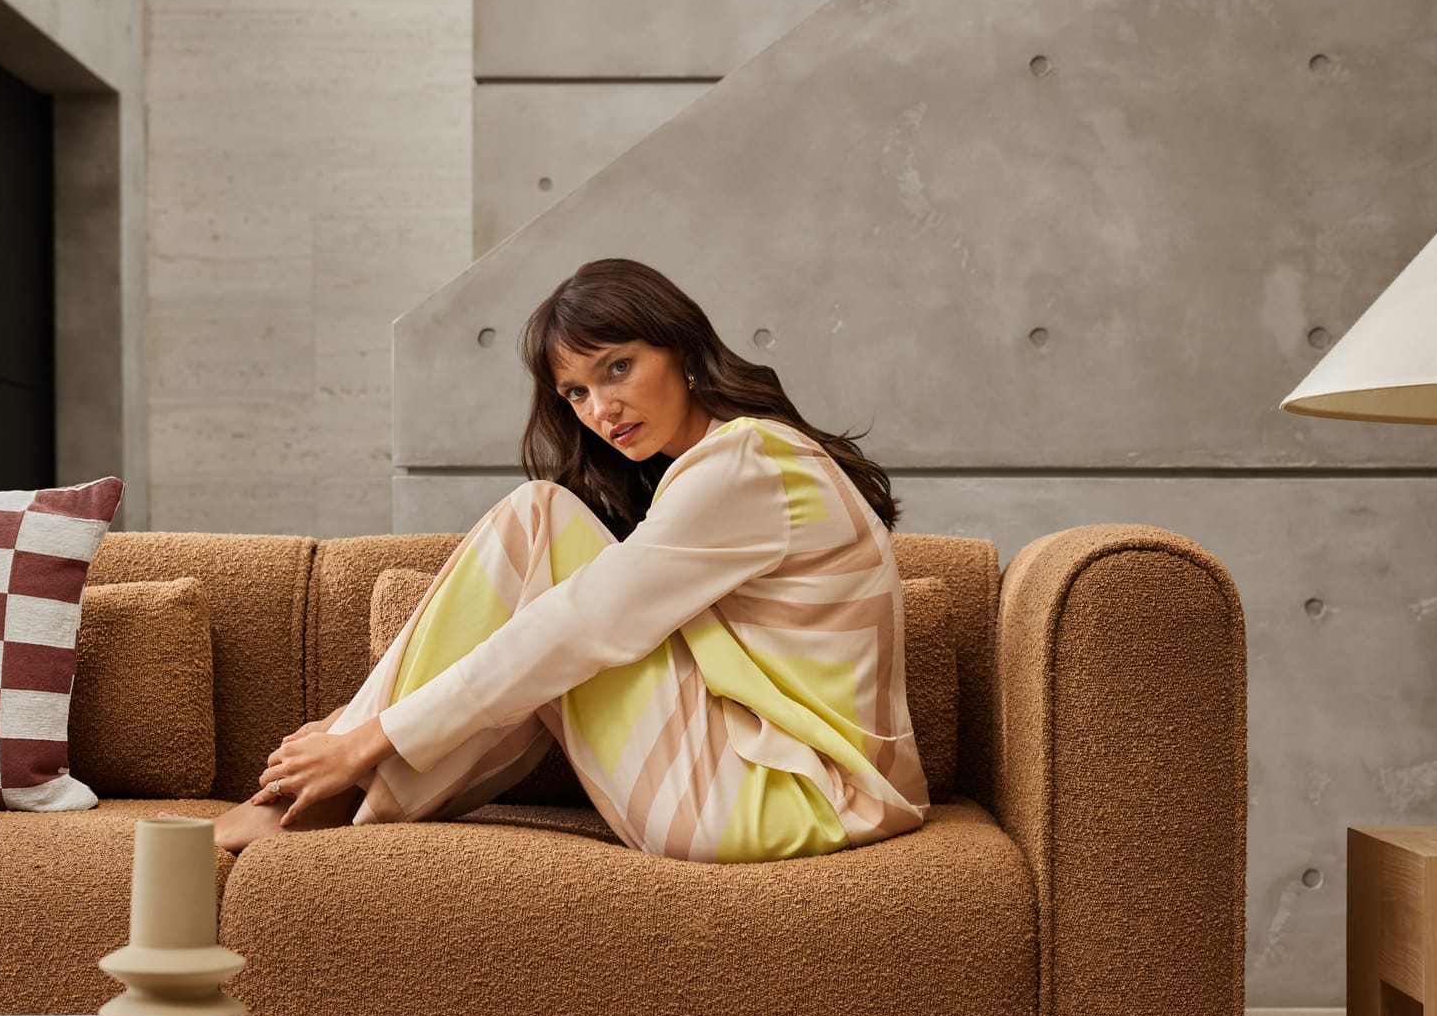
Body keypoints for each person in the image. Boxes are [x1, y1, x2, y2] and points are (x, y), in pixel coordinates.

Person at [211, 258, 930, 861]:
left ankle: (308, 801)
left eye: (619, 368)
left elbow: (578, 628)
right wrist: (362, 723)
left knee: (540, 521)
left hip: (786, 799)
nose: (599, 410)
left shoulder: (746, 461)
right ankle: (331, 791)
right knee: (546, 536)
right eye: (576, 392)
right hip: (793, 783)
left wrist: (364, 736)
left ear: (681, 349)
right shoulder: (735, 469)